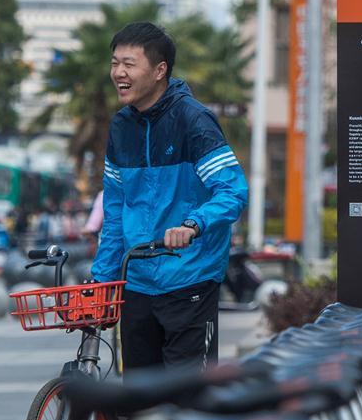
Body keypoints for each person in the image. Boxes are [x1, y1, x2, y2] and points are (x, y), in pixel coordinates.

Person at [90, 22, 248, 373]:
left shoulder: (194, 121)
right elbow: (115, 213)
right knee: (139, 402)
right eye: (115, 63)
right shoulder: (120, 127)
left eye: (129, 64)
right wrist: (102, 279)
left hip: (190, 279)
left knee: (188, 401)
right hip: (137, 283)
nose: (118, 73)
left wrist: (193, 225)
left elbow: (233, 191)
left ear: (160, 70)